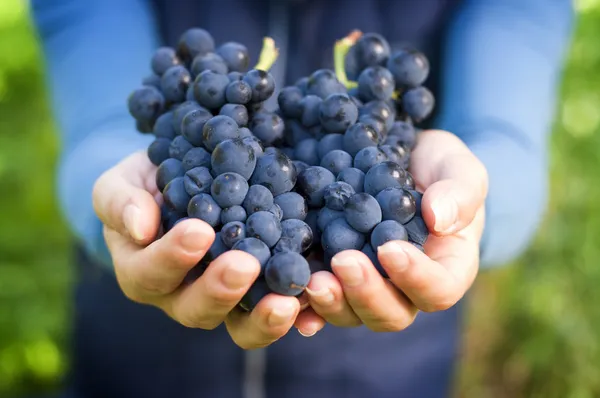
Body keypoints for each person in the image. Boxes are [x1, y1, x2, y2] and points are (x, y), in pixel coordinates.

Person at [30, 0, 574, 397]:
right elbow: (91, 49)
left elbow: (508, 101)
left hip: (386, 364)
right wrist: (110, 195)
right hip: (140, 357)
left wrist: (476, 203)